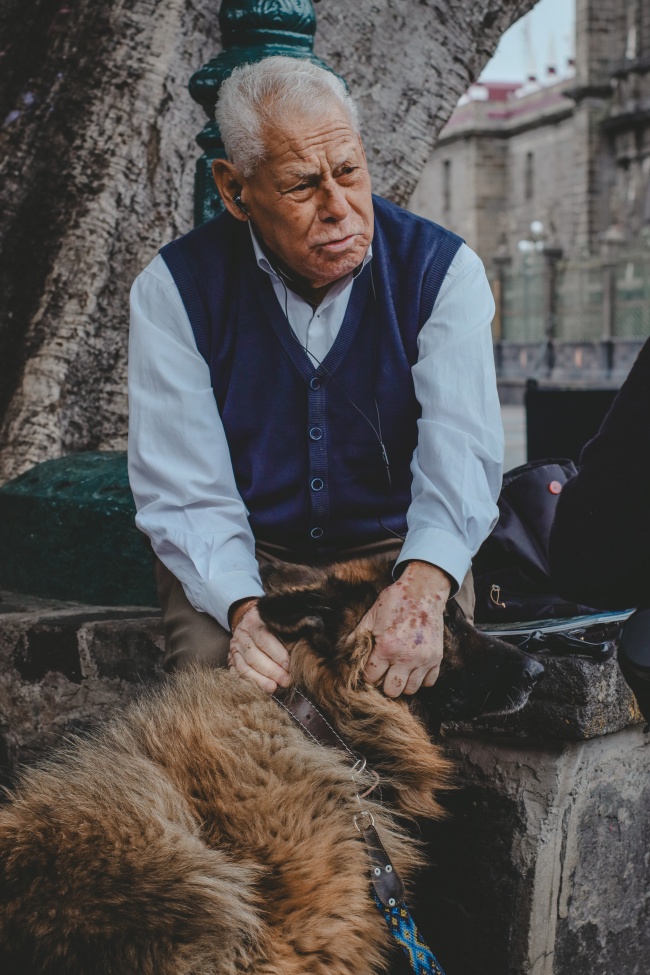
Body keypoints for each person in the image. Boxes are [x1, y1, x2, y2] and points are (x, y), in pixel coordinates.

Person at [128, 56, 503, 699]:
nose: (339, 208)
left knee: (419, 693)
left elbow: (460, 460)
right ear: (233, 189)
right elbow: (187, 492)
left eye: (350, 171)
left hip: (400, 548)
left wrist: (422, 585)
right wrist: (242, 609)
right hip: (250, 553)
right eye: (302, 185)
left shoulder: (443, 272)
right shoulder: (174, 289)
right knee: (220, 702)